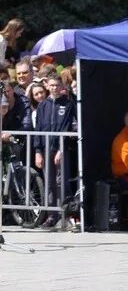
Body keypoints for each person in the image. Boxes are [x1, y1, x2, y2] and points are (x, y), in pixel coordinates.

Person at [31, 74, 79, 230]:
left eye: (57, 85)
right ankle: (52, 215)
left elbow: (66, 127)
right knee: (49, 183)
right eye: (51, 85)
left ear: (62, 86)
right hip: (45, 148)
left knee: (61, 181)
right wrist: (38, 152)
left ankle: (67, 213)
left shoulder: (68, 104)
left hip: (60, 149)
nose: (54, 88)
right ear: (47, 86)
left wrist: (61, 149)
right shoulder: (43, 105)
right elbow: (38, 129)